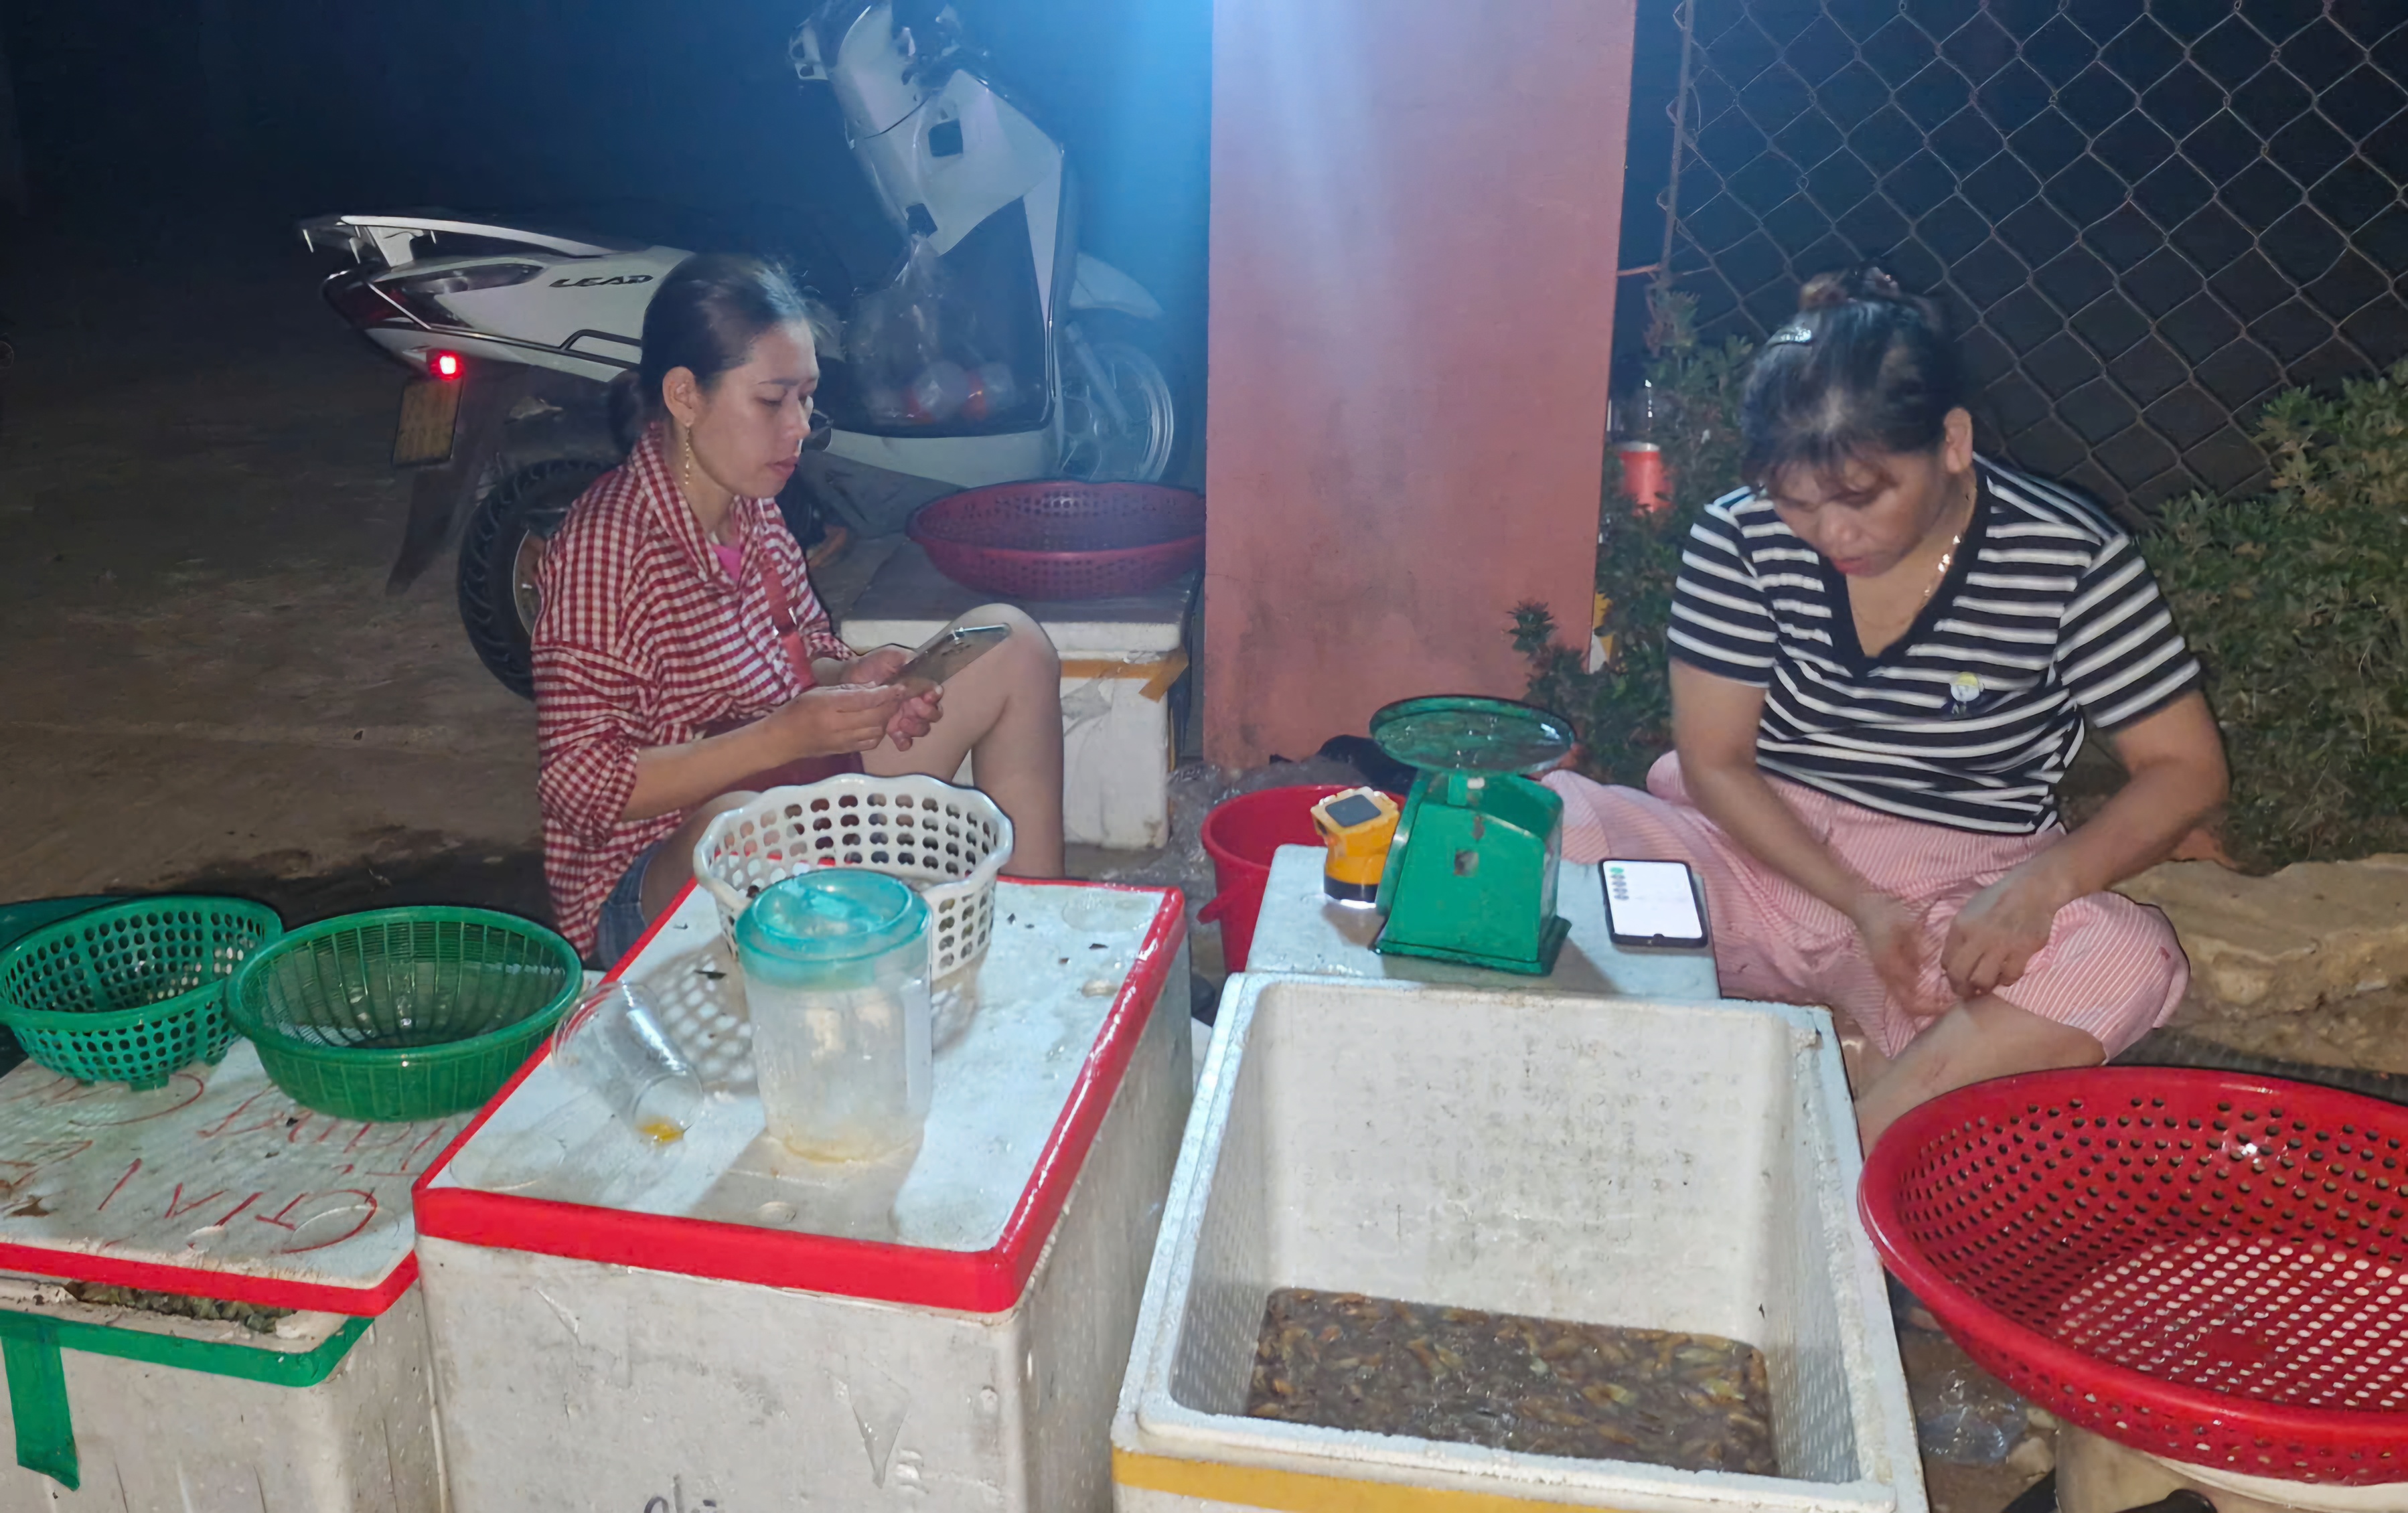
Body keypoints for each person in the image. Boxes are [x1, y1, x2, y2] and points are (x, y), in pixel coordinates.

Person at [1546, 266, 2228, 1147]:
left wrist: (2040, 887)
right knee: (1542, 827)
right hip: (1747, 857)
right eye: (1797, 503)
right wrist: (1856, 901)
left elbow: (2185, 769)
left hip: (1943, 902)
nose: (1832, 535)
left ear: (1952, 442)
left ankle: (1854, 1152)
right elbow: (1715, 762)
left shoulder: (2067, 556)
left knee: (2123, 954)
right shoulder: (1738, 534)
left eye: (1863, 498)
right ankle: (1818, 1076)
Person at [532, 254, 1065, 965]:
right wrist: (780, 738)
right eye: (771, 401)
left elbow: (803, 647)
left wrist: (854, 680)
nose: (799, 428)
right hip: (656, 873)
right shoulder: (606, 549)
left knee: (1012, 646)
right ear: (684, 396)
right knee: (745, 827)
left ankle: (1039, 946)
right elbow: (581, 788)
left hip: (789, 790)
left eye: (807, 399)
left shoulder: (752, 506)